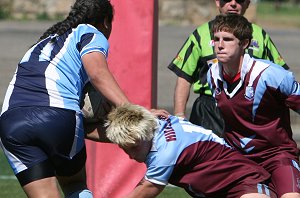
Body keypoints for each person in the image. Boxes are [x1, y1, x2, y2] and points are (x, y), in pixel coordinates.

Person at [0, 0, 131, 197]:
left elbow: (79, 128)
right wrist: (131, 112)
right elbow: (97, 73)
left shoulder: (43, 43)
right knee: (74, 185)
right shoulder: (90, 32)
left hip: (11, 123)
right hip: (58, 113)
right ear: (105, 21)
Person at [207, 14, 300, 198]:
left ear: (245, 43)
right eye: (216, 39)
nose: (219, 45)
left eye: (227, 39)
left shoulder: (270, 74)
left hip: (277, 155)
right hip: (240, 159)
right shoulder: (212, 74)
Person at [168, 0, 288, 136]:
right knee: (209, 157)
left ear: (247, 3)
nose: (233, 4)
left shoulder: (261, 36)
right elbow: (184, 77)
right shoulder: (200, 35)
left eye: (239, 0)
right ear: (218, 2)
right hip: (209, 111)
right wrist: (179, 117)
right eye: (226, 0)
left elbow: (281, 79)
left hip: (249, 109)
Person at [105, 103, 277, 198]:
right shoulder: (156, 120)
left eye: (134, 148)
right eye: (124, 149)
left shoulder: (164, 153)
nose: (131, 156)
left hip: (245, 182)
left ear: (146, 134)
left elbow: (142, 194)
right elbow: (134, 120)